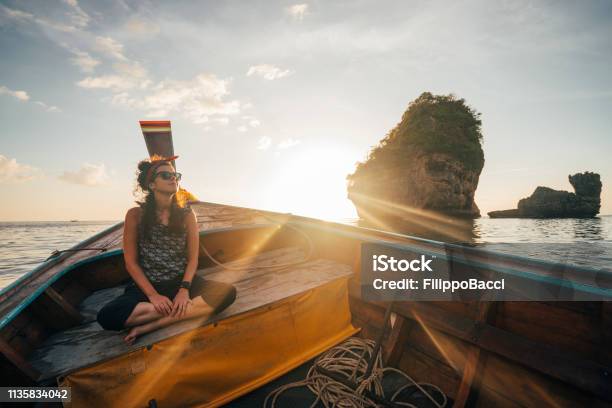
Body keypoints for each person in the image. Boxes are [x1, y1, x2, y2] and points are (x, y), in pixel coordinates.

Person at [96, 154, 237, 345]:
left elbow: (193, 259)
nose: (173, 179)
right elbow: (131, 262)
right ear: (152, 185)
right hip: (148, 286)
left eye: (175, 175)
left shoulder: (187, 215)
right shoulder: (135, 215)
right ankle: (180, 311)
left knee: (227, 293)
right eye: (165, 175)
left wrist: (183, 291)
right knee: (107, 317)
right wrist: (153, 296)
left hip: (182, 283)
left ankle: (153, 324)